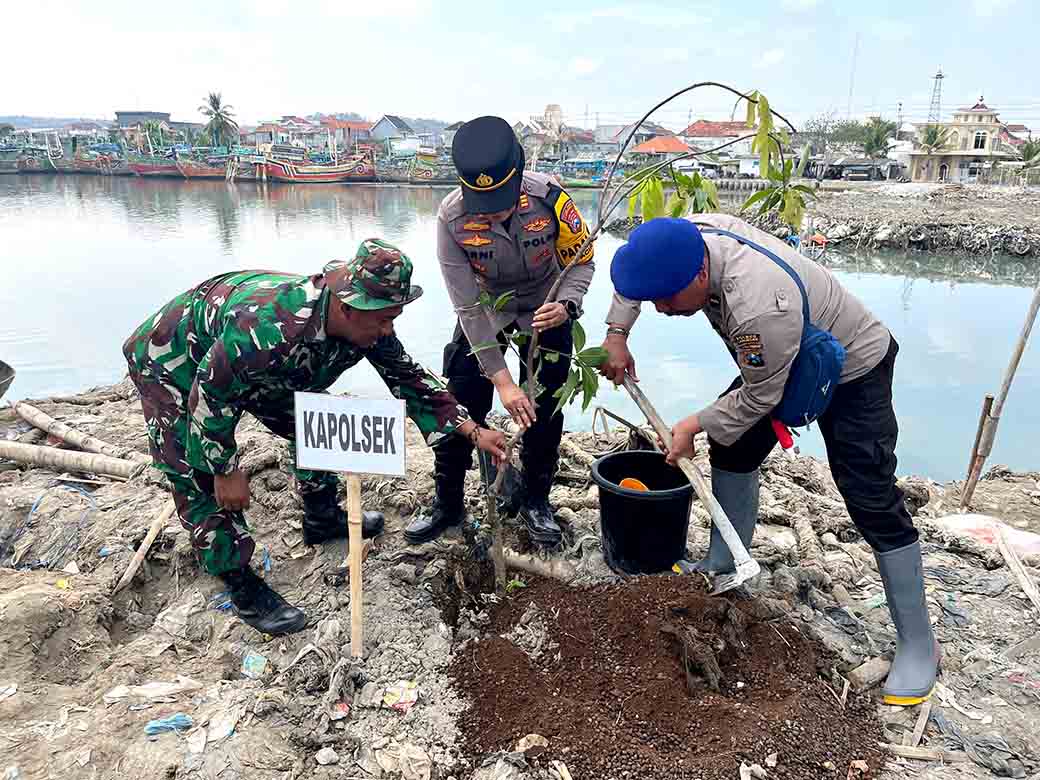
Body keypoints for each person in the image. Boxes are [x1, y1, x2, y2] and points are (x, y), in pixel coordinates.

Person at [599, 214, 939, 706]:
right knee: (733, 445)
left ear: (699, 275)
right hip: (785, 358)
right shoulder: (683, 240)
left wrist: (691, 425)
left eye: (666, 298)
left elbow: (760, 398)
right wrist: (616, 334)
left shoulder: (758, 306)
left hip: (852, 368)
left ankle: (918, 644)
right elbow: (637, 279)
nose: (660, 307)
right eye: (653, 299)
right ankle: (723, 561)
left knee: (869, 497)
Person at [123, 239, 507, 636]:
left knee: (315, 419)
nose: (389, 329)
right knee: (192, 466)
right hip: (173, 360)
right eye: (383, 319)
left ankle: (321, 516)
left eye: (395, 316)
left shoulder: (367, 322)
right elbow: (210, 393)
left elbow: (408, 377)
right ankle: (238, 580)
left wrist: (473, 431)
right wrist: (224, 468)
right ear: (347, 307)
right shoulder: (269, 329)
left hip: (256, 367)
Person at [405, 116, 596, 548]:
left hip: (546, 307)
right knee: (460, 400)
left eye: (502, 200)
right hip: (487, 312)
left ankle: (535, 502)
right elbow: (467, 303)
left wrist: (565, 306)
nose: (493, 211)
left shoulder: (551, 200)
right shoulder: (451, 218)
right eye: (484, 203)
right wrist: (504, 380)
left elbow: (581, 261)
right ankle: (448, 504)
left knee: (545, 408)